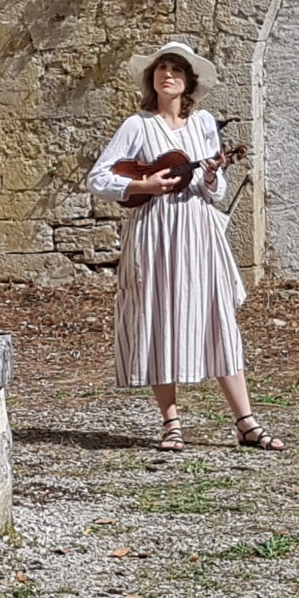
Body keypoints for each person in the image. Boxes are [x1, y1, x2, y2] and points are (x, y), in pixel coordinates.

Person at [87, 39, 282, 453]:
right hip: (154, 231)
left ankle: (245, 421)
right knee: (159, 318)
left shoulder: (204, 124)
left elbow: (216, 189)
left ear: (188, 81)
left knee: (217, 318)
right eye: (161, 68)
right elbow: (99, 178)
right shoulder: (137, 126)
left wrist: (211, 175)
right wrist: (142, 184)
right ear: (152, 78)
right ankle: (170, 423)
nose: (167, 74)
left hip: (196, 230)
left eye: (176, 69)